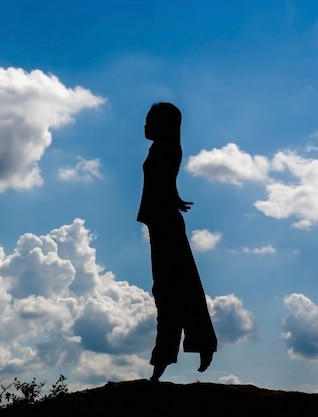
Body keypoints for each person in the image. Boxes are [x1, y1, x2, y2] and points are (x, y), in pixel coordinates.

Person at [137, 102, 217, 382]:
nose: (144, 125)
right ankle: (174, 355)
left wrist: (171, 199)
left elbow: (163, 178)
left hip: (165, 225)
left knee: (172, 290)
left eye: (149, 120)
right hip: (162, 224)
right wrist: (175, 197)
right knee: (171, 290)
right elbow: (164, 181)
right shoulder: (162, 148)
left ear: (164, 124)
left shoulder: (165, 149)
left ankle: (184, 351)